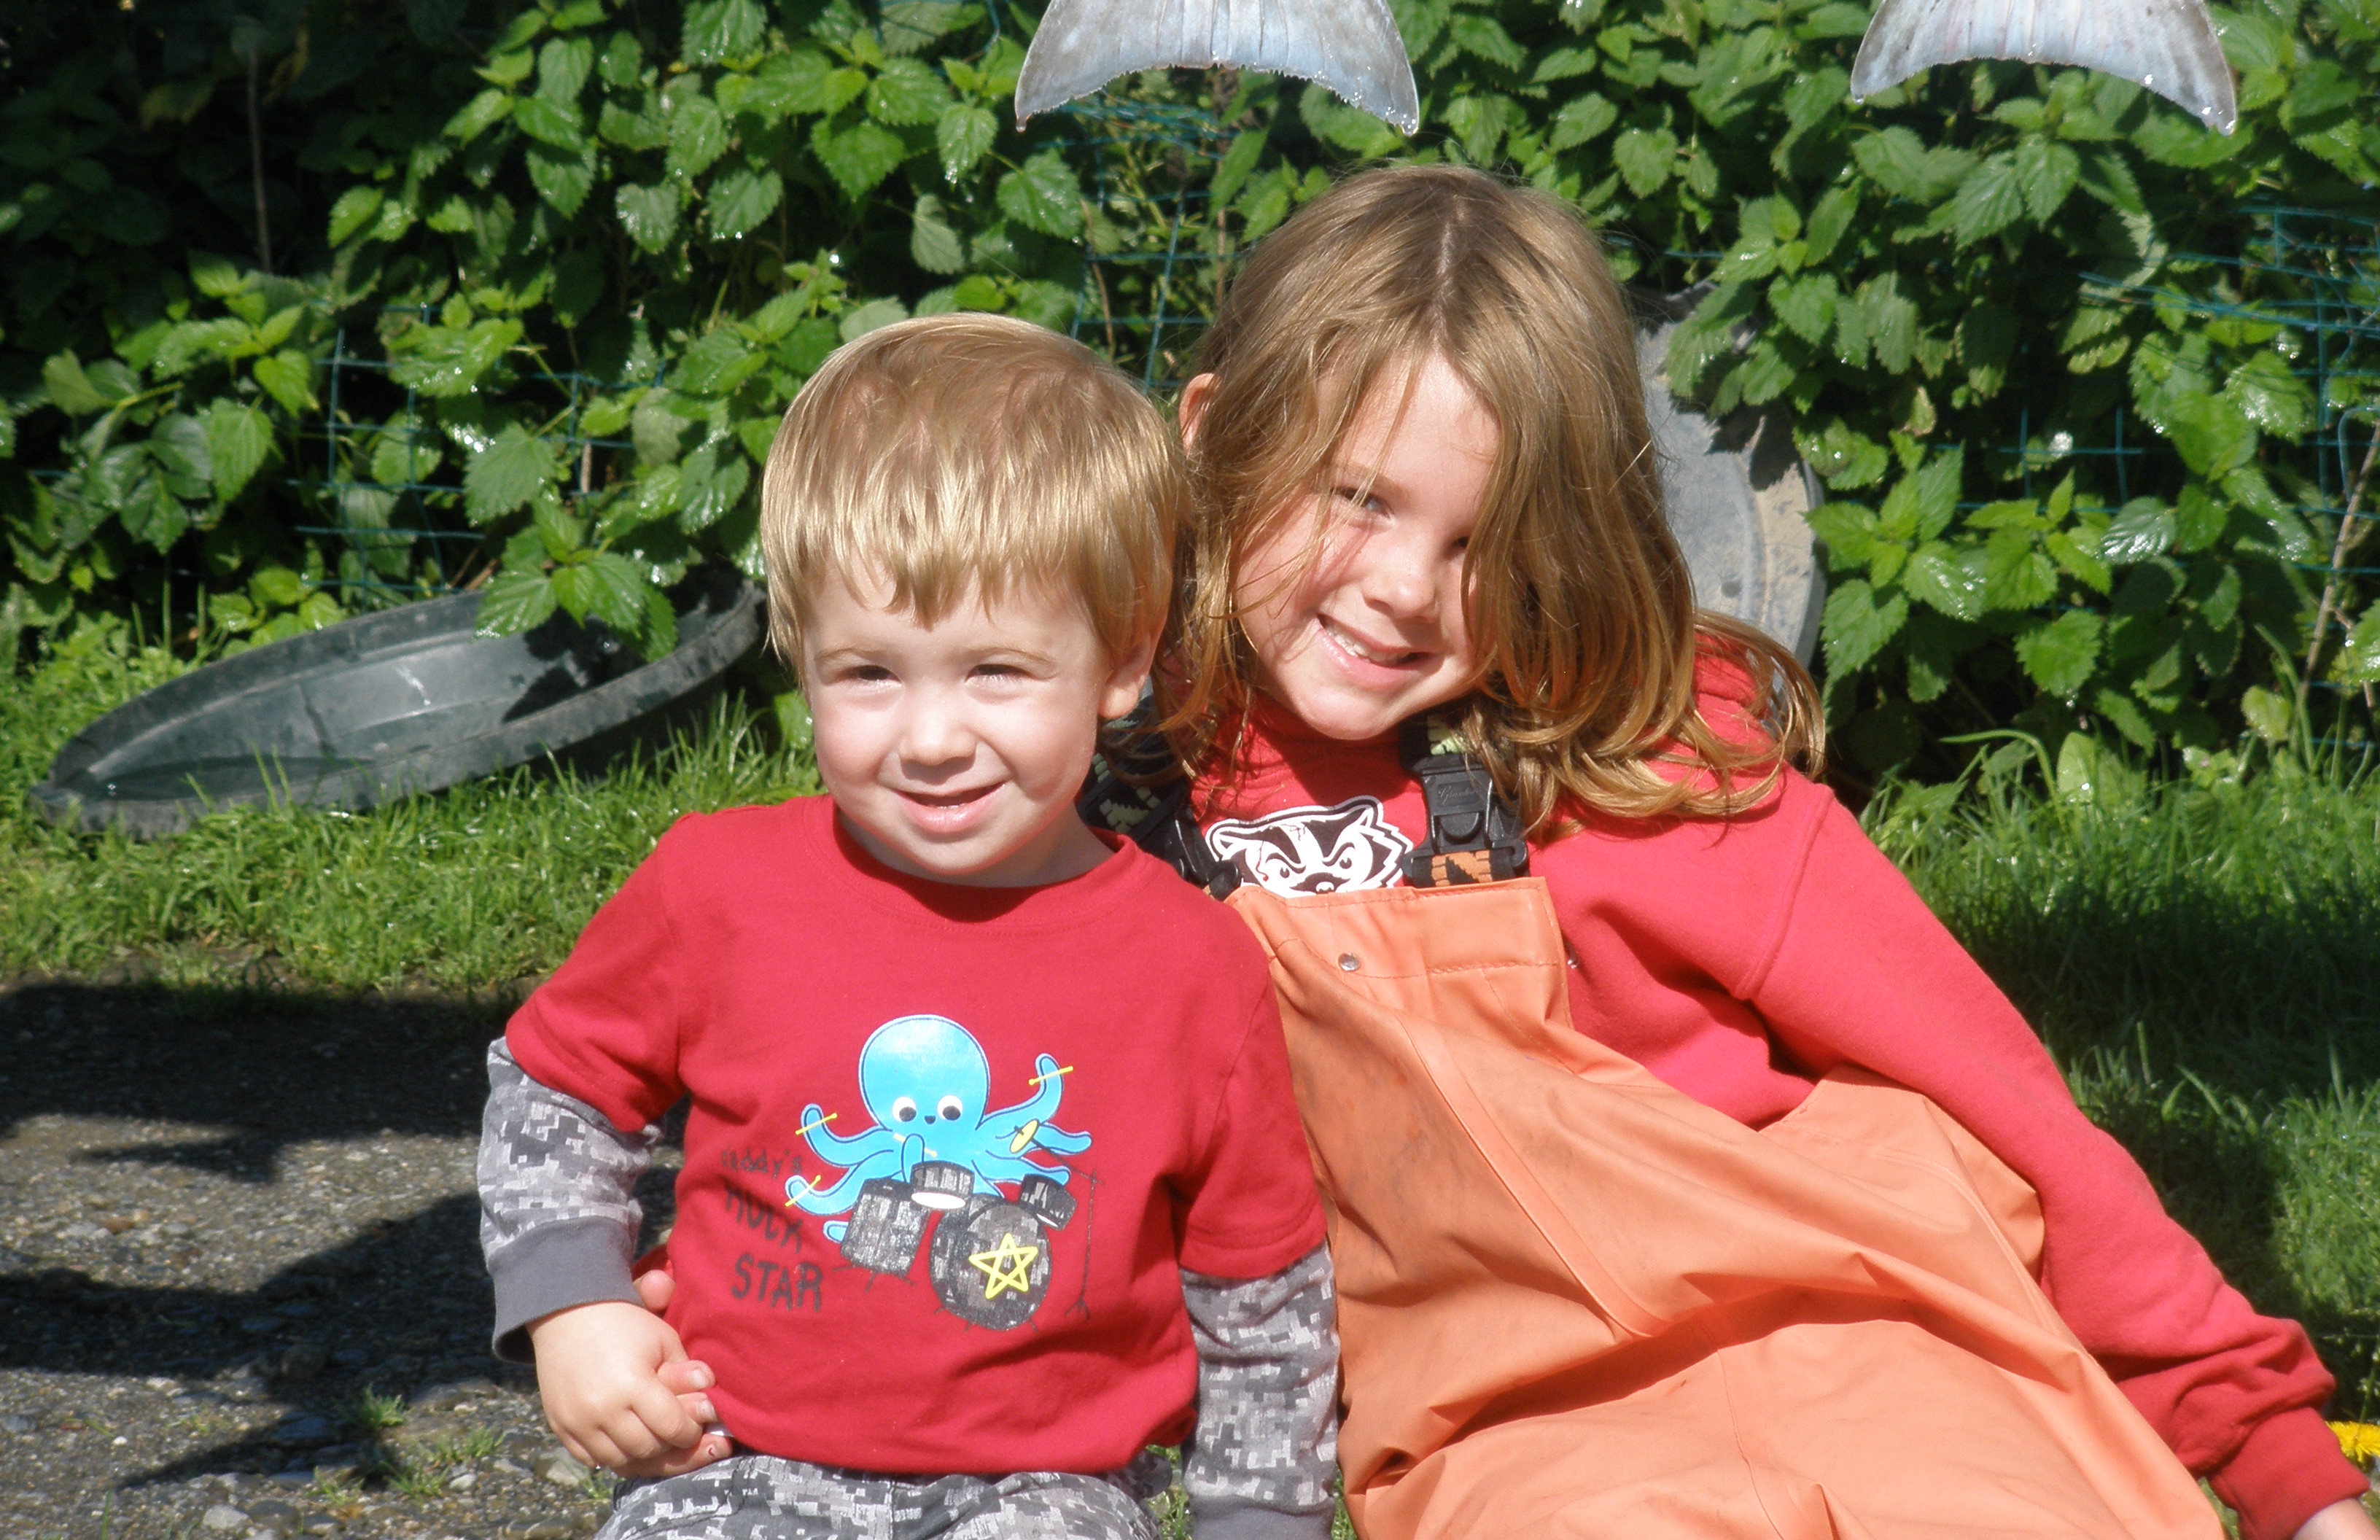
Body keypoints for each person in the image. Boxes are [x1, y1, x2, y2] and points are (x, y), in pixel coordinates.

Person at [1090, 164, 2376, 1540]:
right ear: (1214, 434)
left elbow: (2006, 1104)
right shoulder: (1093, 809)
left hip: (1883, 1334)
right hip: (1528, 1435)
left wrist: (2278, 1462)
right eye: (1357, 497)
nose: (1407, 589)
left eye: (1481, 540)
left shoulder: (1640, 764)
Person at [476, 315, 1339, 1540]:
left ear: (1122, 659)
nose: (932, 739)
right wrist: (575, 1307)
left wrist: (1260, 1522)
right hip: (737, 1461)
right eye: (870, 673)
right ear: (802, 657)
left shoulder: (1192, 968)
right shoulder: (717, 891)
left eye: (997, 672)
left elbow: (1262, 1301)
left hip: (1047, 1494)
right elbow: (557, 1087)